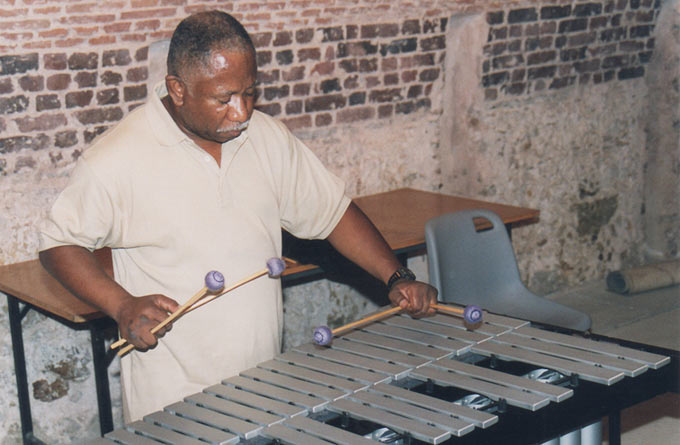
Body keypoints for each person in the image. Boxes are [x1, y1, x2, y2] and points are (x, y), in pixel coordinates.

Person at [38, 10, 437, 422]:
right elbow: (58, 245)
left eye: (249, 92)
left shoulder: (266, 138)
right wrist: (120, 305)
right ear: (178, 89)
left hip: (263, 389)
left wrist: (397, 277)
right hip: (174, 404)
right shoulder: (118, 157)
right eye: (223, 98)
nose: (242, 112)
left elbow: (333, 213)